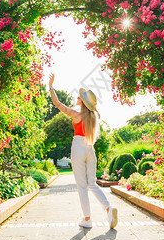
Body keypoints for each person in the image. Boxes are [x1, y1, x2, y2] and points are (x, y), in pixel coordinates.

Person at [48, 73, 118, 229]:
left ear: (83, 102)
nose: (77, 98)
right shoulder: (93, 117)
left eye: (79, 97)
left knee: (82, 186)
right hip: (90, 149)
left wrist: (51, 86)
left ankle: (87, 219)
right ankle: (108, 208)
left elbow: (56, 103)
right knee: (92, 184)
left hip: (78, 147)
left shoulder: (77, 115)